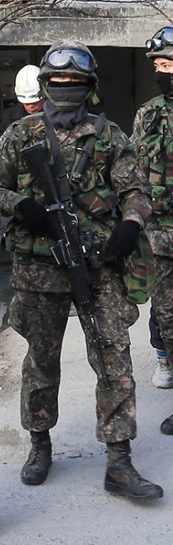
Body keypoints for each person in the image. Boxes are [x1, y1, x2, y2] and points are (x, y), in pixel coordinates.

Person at [0, 40, 164, 499]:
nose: (66, 90)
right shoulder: (21, 135)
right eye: (58, 83)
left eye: (75, 83)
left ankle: (119, 459)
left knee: (114, 360)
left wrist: (130, 225)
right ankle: (40, 443)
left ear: (89, 87)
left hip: (98, 268)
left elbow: (136, 190)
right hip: (39, 270)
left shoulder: (108, 136)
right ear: (46, 86)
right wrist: (22, 205)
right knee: (41, 364)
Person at [132, 26, 173, 431]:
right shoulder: (148, 113)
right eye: (159, 65)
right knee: (166, 315)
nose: (162, 72)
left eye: (168, 63)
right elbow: (133, 172)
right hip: (158, 237)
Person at [0, 64, 45, 148]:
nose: (31, 106)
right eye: (27, 103)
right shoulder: (7, 117)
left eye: (35, 102)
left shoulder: (56, 116)